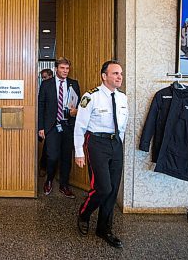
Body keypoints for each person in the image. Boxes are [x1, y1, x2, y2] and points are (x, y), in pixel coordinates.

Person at [73, 60, 128, 248]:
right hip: (96, 143)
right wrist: (79, 152)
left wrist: (120, 143)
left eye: (120, 73)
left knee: (113, 189)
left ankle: (104, 228)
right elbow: (80, 125)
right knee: (103, 187)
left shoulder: (122, 98)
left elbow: (123, 125)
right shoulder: (90, 97)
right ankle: (84, 213)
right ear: (104, 76)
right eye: (115, 73)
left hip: (116, 143)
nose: (119, 76)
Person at [38, 57, 80, 198]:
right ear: (56, 69)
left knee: (66, 157)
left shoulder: (74, 84)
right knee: (52, 156)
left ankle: (64, 185)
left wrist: (76, 111)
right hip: (52, 126)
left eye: (67, 69)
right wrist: (41, 127)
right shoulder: (46, 84)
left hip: (68, 126)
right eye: (62, 68)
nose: (65, 71)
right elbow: (41, 106)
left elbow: (78, 105)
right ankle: (49, 180)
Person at [38, 68, 54, 177]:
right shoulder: (44, 86)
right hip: (47, 122)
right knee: (47, 146)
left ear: (51, 75)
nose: (43, 80)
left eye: (45, 77)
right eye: (42, 77)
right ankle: (43, 167)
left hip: (57, 122)